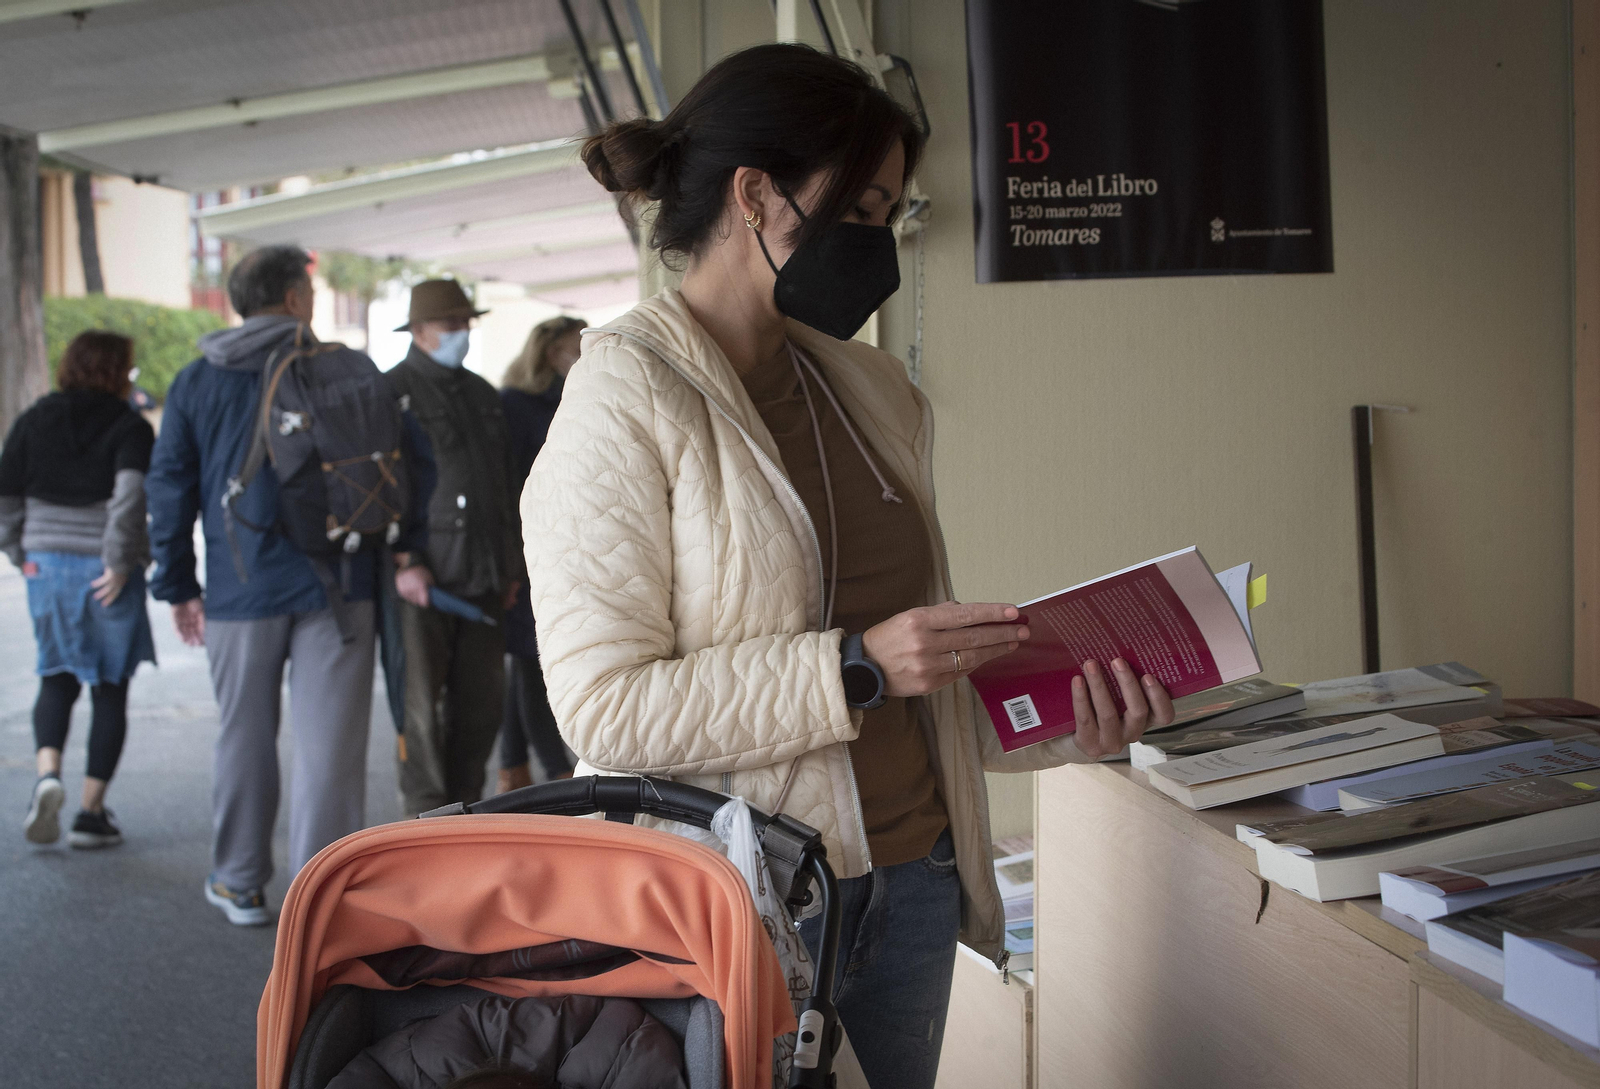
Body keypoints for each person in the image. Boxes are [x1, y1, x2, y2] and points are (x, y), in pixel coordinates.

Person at [521, 43, 1175, 1087]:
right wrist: (851, 669)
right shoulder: (622, 400)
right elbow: (604, 711)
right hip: (750, 898)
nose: (880, 243)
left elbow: (913, 658)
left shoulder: (867, 388)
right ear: (755, 194)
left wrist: (1062, 713)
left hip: (915, 876)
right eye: (864, 210)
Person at [146, 245, 428, 926]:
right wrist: (403, 549)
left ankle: (240, 880)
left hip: (241, 590)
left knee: (243, 736)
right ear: (298, 300)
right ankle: (323, 905)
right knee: (330, 748)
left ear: (241, 301)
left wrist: (179, 582)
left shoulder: (196, 381)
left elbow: (170, 484)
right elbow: (417, 463)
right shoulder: (350, 370)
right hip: (345, 582)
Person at [3, 331, 155, 850]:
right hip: (105, 569)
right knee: (109, 686)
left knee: (56, 674)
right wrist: (117, 561)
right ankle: (91, 815)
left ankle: (47, 775)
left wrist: (18, 552)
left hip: (44, 563)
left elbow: (5, 490)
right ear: (118, 372)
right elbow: (129, 497)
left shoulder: (35, 418)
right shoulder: (130, 426)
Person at [385, 280, 525, 817]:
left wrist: (511, 567)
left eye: (465, 325)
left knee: (480, 711)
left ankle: (464, 820)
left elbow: (508, 484)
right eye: (450, 326)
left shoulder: (481, 393)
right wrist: (405, 558)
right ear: (419, 331)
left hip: (485, 577)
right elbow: (384, 487)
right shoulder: (391, 392)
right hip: (424, 582)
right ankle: (423, 829)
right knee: (420, 715)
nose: (460, 335)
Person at [494, 315, 583, 793]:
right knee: (532, 656)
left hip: (566, 540)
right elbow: (507, 481)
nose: (582, 358)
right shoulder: (515, 404)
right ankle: (555, 769)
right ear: (552, 354)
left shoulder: (579, 394)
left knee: (526, 659)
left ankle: (511, 767)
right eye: (576, 349)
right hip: (529, 544)